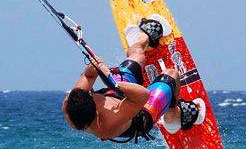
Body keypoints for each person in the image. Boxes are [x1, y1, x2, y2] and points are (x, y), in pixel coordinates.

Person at [61, 17, 206, 142]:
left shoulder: (72, 103)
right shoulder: (108, 124)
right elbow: (142, 96)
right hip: (139, 114)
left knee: (137, 54)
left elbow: (88, 76)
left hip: (114, 93)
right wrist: (113, 83)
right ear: (96, 114)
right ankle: (173, 116)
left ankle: (142, 38)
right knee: (172, 75)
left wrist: (95, 66)